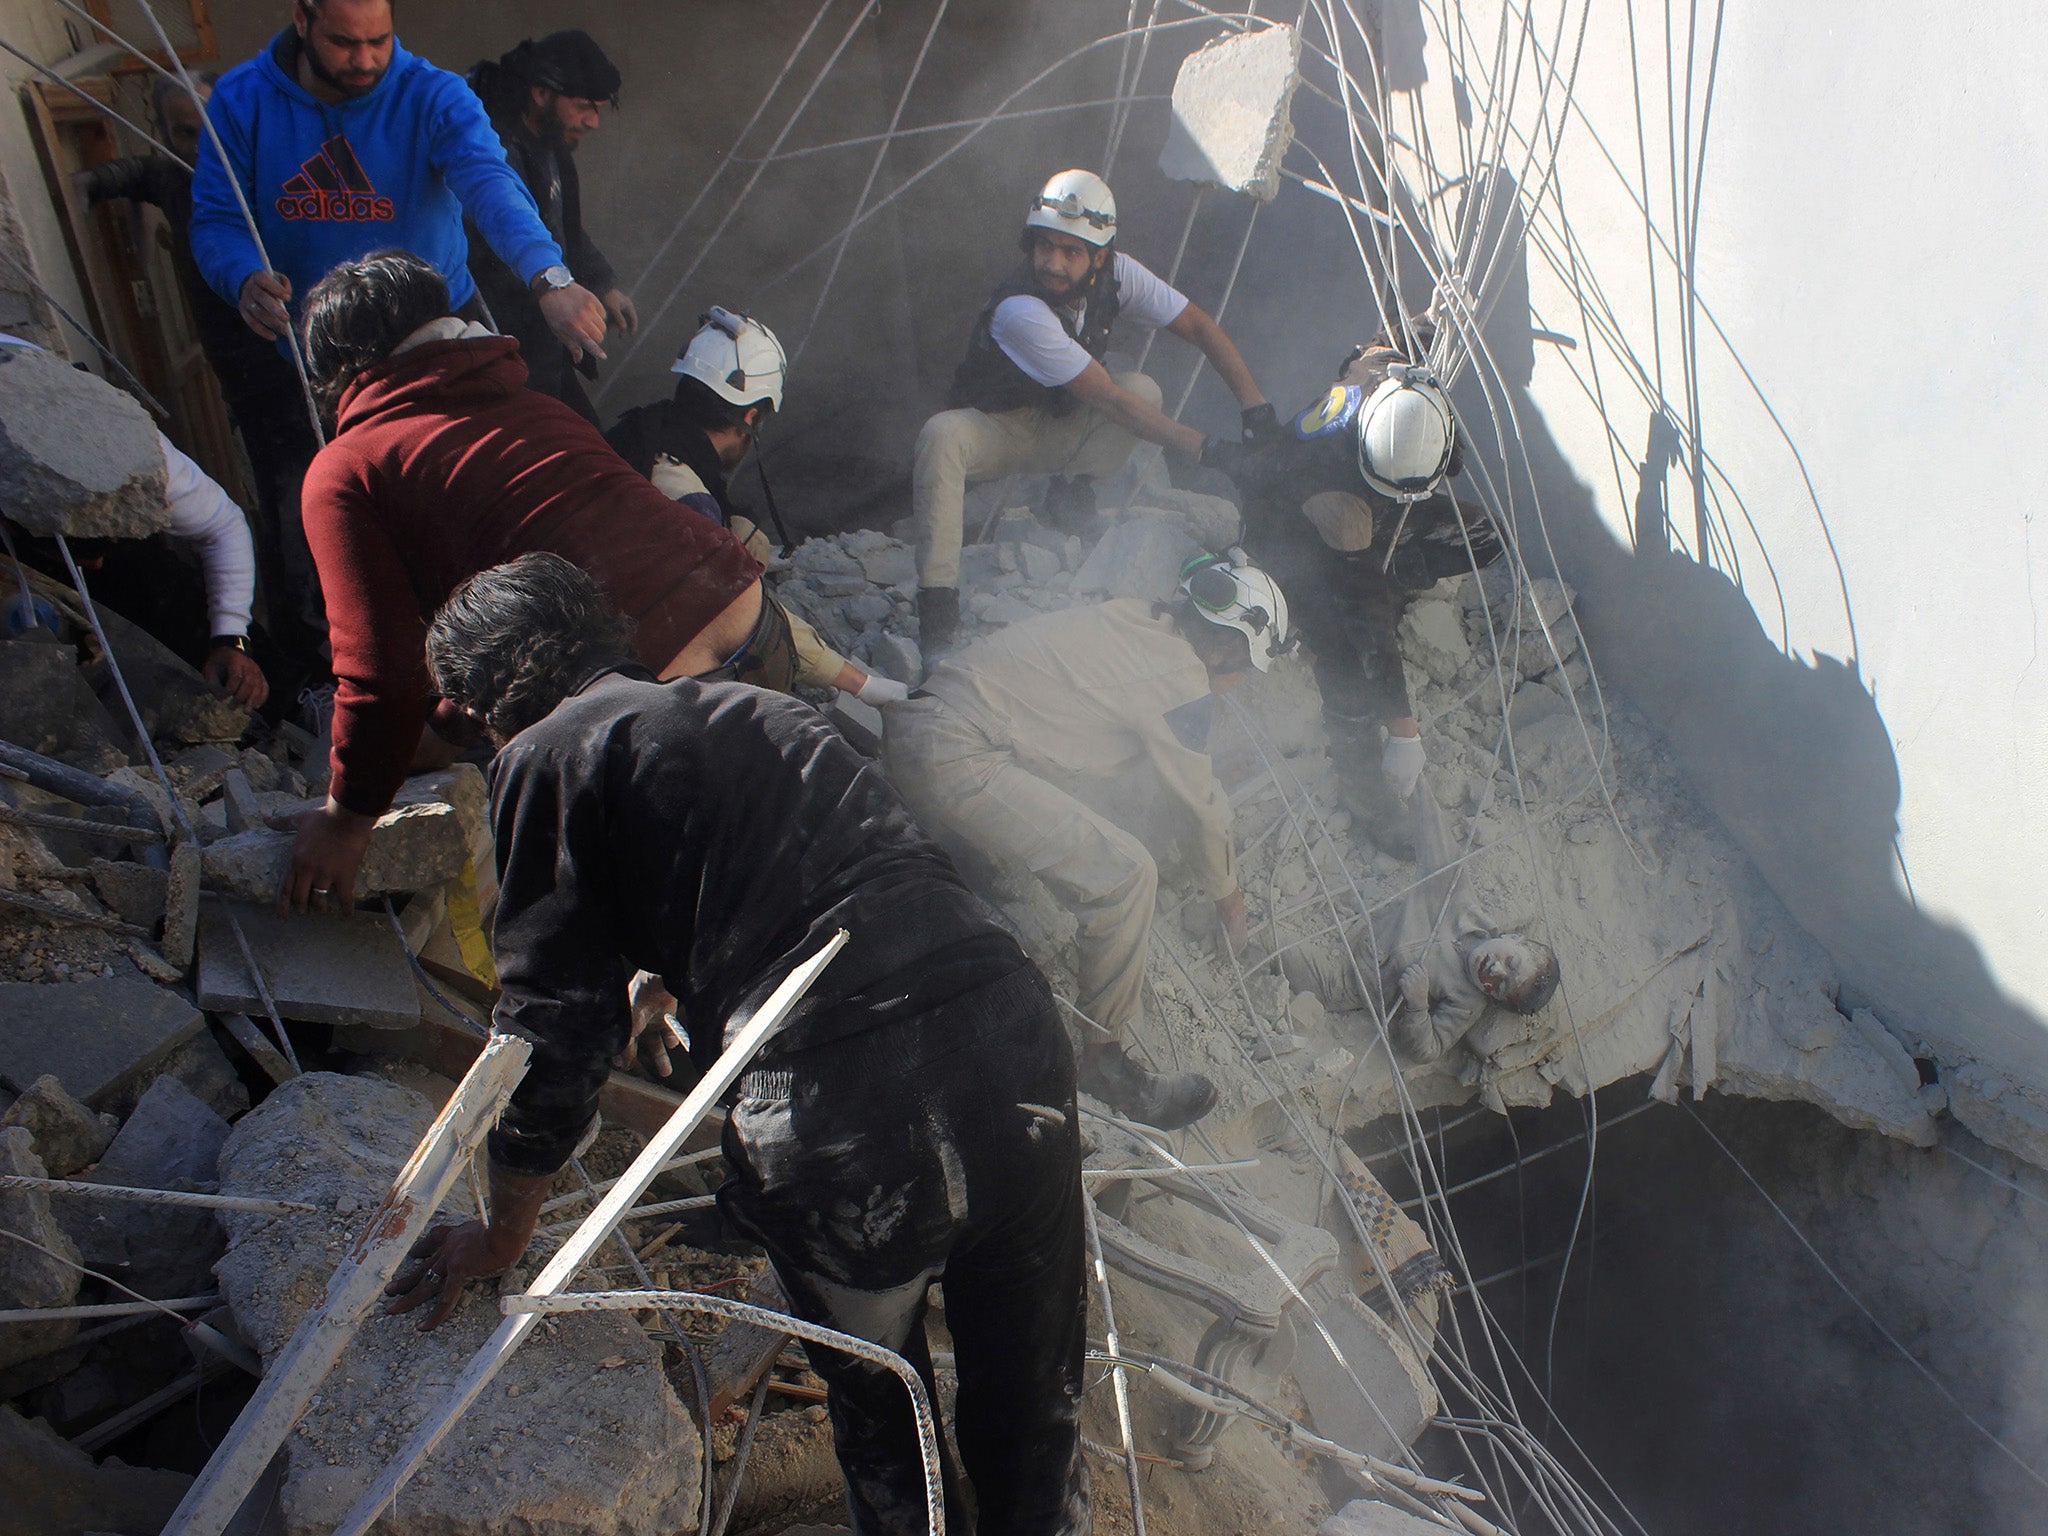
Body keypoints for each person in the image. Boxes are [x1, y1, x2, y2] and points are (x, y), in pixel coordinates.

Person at [386, 553, 1091, 1536]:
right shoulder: (765, 713)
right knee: (1032, 1402)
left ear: (484, 701)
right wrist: (667, 971)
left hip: (838, 1101)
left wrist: (504, 1229)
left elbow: (552, 1025)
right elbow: (827, 886)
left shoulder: (543, 753)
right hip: (1008, 1033)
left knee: (888, 1420)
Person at [280, 251, 777, 912]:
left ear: (338, 375)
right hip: (755, 631)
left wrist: (346, 821)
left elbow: (379, 672)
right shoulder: (538, 406)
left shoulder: (348, 469)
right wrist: (446, 727)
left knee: (640, 924)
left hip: (646, 689)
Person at [885, 554, 1292, 1130]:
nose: (1236, 686)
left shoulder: (1136, 618)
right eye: (1243, 671)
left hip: (924, 720)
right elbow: (1201, 804)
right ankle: (1105, 1062)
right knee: (1127, 876)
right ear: (1228, 651)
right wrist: (1227, 892)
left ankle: (966, 853)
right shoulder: (1181, 679)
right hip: (951, 755)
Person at [912, 169, 1278, 650]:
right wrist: (1210, 450)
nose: (1055, 264)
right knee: (942, 435)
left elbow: (1198, 325)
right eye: (1045, 246)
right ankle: (938, 609)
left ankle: (1070, 497)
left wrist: (1256, 409)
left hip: (1061, 424)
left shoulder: (1118, 274)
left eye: (1072, 251)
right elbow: (1108, 399)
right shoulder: (1019, 309)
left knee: (1143, 388)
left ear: (1099, 256)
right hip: (998, 432)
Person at [73, 71, 325, 692]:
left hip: (317, 375)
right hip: (255, 390)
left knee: (331, 513)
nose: (204, 143)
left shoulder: (273, 175)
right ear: (164, 134)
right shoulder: (175, 178)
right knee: (288, 523)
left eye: (217, 127)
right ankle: (312, 664)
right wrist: (80, 189)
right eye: (188, 132)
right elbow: (114, 177)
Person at [190, 0, 608, 367]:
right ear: (301, 18)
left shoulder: (434, 95)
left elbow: (491, 185)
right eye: (344, 43)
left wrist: (548, 276)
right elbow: (218, 218)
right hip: (307, 346)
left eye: (379, 40)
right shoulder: (240, 100)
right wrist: (242, 275)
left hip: (435, 332)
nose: (365, 60)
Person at [1237, 318, 1503, 851]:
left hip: (1372, 518)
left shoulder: (1413, 403)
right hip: (1295, 546)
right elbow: (1366, 618)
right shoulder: (1324, 462)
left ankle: (1384, 575)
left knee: (1480, 537)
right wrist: (1404, 729)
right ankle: (1364, 794)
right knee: (1347, 661)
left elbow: (1439, 456)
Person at [608, 309, 909, 705]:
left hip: (602, 576)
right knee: (744, 612)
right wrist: (862, 684)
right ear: (751, 415)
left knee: (750, 536)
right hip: (631, 642)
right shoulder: (691, 504)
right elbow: (743, 613)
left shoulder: (642, 431)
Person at [0, 335, 268, 708]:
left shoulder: (147, 461)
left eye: (99, 548)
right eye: (84, 553)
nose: (94, 563)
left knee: (150, 587)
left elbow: (223, 525)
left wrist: (230, 638)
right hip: (19, 521)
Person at [1278, 782, 1559, 1064]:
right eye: (1511, 962)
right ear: (1513, 938)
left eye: (1499, 986)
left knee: (1271, 945)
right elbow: (1434, 834)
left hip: (1346, 980)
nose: (1495, 970)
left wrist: (1417, 1006)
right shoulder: (1459, 900)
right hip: (1354, 923)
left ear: (1494, 1000)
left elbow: (1426, 1050)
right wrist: (1413, 779)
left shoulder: (1466, 1002)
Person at [465, 30, 635, 422]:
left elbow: (561, 227)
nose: (592, 121)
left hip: (544, 336)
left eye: (597, 108)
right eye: (582, 106)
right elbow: (498, 247)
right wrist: (557, 292)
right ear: (540, 94)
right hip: (502, 342)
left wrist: (599, 282)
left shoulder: (549, 141)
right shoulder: (493, 144)